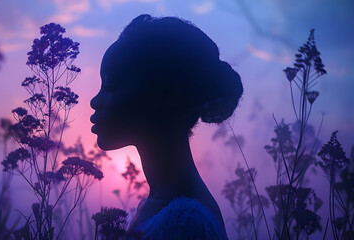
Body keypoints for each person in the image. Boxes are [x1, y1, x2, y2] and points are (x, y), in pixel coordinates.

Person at [90, 14, 243, 239]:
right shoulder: (161, 207)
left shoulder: (185, 222)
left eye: (111, 84)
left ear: (166, 95)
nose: (94, 101)